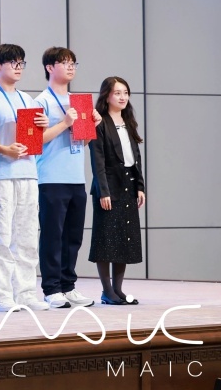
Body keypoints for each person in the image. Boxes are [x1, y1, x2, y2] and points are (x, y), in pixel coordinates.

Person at [0, 44, 50, 313]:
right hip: (1, 174)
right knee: (1, 236)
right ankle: (0, 296)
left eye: (21, 63)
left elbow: (35, 139)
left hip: (28, 173)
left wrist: (42, 127)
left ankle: (26, 292)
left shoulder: (29, 100)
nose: (19, 68)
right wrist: (4, 149)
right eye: (13, 63)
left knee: (27, 236)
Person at [35, 47, 101, 310]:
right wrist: (64, 123)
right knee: (53, 235)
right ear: (50, 67)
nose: (71, 67)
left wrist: (91, 126)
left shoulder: (79, 101)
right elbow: (35, 141)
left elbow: (81, 142)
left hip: (76, 178)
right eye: (64, 62)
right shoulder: (40, 101)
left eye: (73, 62)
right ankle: (51, 289)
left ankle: (68, 285)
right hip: (51, 178)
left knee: (73, 236)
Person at [89, 76, 145, 305]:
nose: (123, 97)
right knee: (106, 240)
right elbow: (98, 161)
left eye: (125, 93)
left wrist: (140, 186)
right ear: (107, 96)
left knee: (123, 238)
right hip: (109, 188)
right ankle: (107, 291)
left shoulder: (128, 121)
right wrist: (104, 191)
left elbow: (136, 156)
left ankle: (118, 290)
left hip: (128, 184)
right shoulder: (99, 122)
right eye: (117, 93)